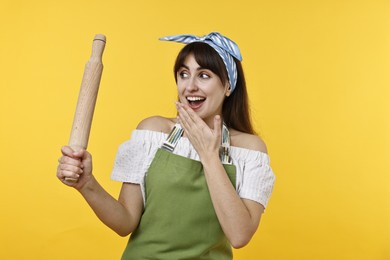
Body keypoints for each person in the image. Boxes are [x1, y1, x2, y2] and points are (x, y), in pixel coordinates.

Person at [57, 32, 275, 259]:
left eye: (204, 75)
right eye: (184, 74)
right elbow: (125, 222)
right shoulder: (153, 132)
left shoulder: (250, 150)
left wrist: (209, 156)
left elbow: (239, 235)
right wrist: (87, 184)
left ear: (228, 86)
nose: (190, 86)